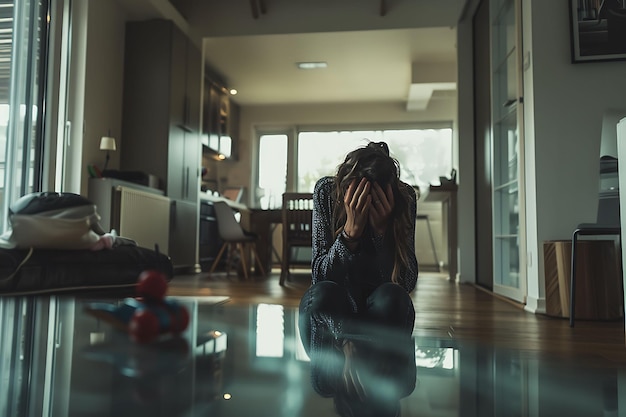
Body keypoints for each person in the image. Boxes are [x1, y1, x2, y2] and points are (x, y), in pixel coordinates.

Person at [298, 141, 419, 417]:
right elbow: (320, 278)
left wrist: (380, 234)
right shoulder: (327, 192)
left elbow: (407, 281)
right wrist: (349, 235)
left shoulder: (404, 197)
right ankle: (362, 345)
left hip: (377, 316)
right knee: (324, 294)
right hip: (329, 316)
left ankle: (367, 345)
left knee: (394, 297)